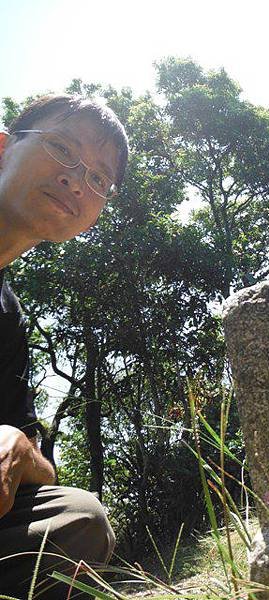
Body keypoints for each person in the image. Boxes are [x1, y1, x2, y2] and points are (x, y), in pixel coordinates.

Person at [0, 94, 129, 598]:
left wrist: (13, 442)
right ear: (4, 149)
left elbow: (43, 472)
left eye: (99, 179)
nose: (77, 179)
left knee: (80, 517)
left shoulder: (8, 320)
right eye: (60, 148)